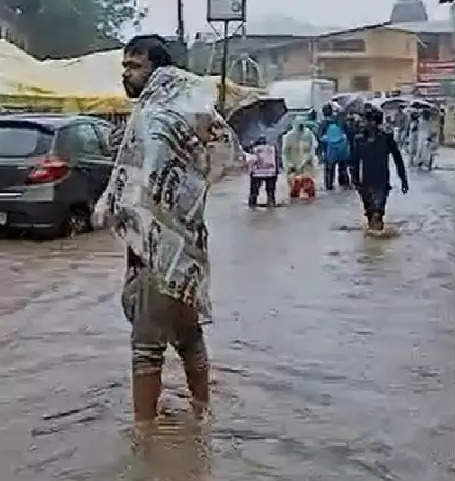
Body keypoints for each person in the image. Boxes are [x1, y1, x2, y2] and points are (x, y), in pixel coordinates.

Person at [94, 35, 244, 424]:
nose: (126, 74)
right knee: (189, 336)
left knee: (146, 348)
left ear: (155, 70)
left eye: (134, 66)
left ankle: (143, 439)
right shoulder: (191, 105)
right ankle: (202, 413)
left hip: (154, 249)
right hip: (188, 244)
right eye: (125, 66)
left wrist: (114, 206)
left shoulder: (154, 115)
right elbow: (219, 153)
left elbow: (142, 178)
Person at [351, 107, 408, 231]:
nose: (364, 123)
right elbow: (354, 162)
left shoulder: (386, 138)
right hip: (365, 183)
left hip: (381, 183)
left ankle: (378, 245)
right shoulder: (360, 139)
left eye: (366, 120)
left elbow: (398, 159)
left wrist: (403, 180)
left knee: (377, 213)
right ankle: (372, 243)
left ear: (374, 122)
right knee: (370, 214)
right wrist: (355, 181)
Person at [281, 117, 318, 200]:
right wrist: (289, 165)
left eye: (302, 125)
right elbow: (285, 153)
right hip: (293, 167)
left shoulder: (309, 134)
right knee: (294, 192)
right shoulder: (288, 137)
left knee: (309, 192)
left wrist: (310, 161)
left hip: (306, 167)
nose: (300, 127)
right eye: (299, 125)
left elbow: (312, 150)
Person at [318, 104, 351, 191]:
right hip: (342, 149)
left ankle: (329, 186)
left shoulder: (323, 123)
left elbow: (320, 137)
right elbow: (347, 133)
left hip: (329, 151)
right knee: (343, 168)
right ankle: (344, 184)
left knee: (329, 169)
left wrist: (320, 152)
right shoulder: (339, 120)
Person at [245, 135, 279, 207]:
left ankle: (252, 206)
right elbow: (276, 160)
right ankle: (271, 205)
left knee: (254, 193)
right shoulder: (272, 148)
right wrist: (276, 172)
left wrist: (250, 172)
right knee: (270, 193)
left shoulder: (253, 148)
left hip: (257, 174)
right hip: (271, 172)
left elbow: (250, 161)